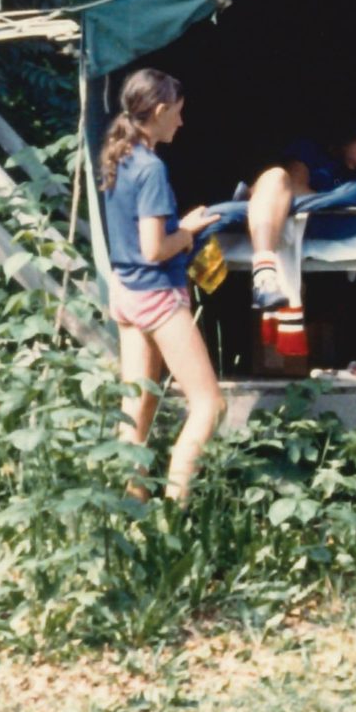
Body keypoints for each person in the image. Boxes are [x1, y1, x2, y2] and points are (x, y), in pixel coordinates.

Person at [99, 68, 226, 505]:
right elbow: (155, 248)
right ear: (157, 111)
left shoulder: (120, 154)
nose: (181, 122)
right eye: (178, 113)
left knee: (138, 405)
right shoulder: (151, 168)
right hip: (155, 292)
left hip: (125, 293)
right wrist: (189, 230)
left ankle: (130, 505)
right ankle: (178, 504)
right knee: (210, 405)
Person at [246, 127, 356, 310]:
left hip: (328, 221)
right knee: (275, 176)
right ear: (345, 138)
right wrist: (336, 199)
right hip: (290, 212)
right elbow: (296, 191)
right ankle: (264, 275)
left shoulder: (351, 170)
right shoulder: (308, 150)